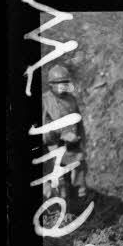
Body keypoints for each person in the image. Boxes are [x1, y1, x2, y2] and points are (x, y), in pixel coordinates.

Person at [41, 63, 89, 203]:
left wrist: (82, 142)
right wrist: (61, 133)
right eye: (59, 83)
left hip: (73, 147)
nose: (63, 85)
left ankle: (79, 207)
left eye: (65, 82)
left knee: (79, 178)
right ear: (51, 84)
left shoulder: (71, 99)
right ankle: (62, 214)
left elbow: (79, 123)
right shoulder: (45, 101)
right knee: (60, 185)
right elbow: (44, 129)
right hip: (54, 149)